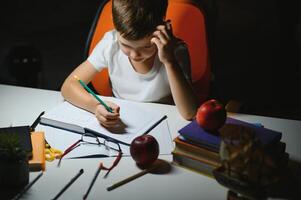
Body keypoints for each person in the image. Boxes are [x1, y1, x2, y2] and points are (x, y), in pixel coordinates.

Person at [61, 0, 198, 128]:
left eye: (146, 47)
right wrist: (95, 106)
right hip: (122, 122)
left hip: (163, 123)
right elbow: (69, 86)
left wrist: (169, 61)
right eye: (125, 45)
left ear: (164, 28)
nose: (134, 55)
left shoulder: (175, 51)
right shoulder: (111, 43)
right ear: (115, 27)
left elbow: (189, 112)